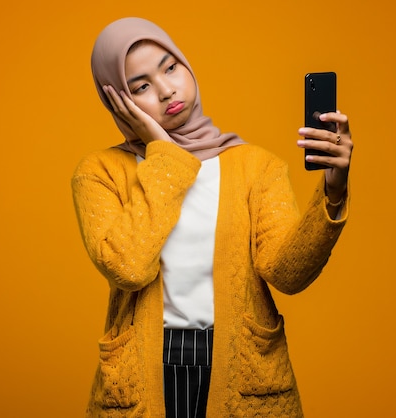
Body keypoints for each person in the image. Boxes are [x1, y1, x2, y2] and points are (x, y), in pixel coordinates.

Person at [72, 17, 353, 418]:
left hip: (242, 367)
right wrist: (164, 152)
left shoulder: (256, 167)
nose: (167, 89)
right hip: (145, 370)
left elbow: (287, 274)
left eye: (170, 67)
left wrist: (334, 190)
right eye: (142, 86)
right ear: (117, 100)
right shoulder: (101, 172)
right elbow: (129, 268)